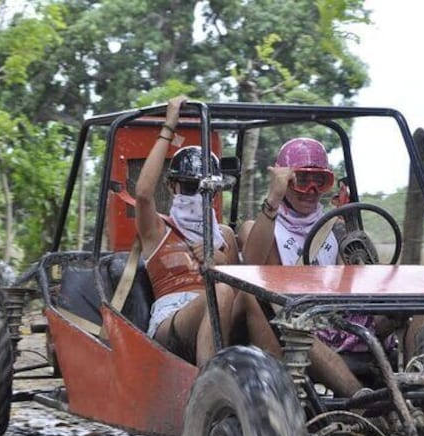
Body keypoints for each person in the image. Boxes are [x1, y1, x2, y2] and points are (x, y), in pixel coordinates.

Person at [236, 137, 394, 397]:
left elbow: (356, 282)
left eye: (319, 181)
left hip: (338, 318)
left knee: (417, 305)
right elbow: (253, 267)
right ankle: (365, 403)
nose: (310, 190)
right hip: (295, 322)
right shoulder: (259, 227)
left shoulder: (336, 226)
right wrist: (273, 199)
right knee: (301, 331)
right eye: (302, 180)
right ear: (284, 181)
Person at [136, 95, 238, 366]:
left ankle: (288, 376)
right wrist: (169, 127)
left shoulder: (223, 237)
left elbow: (244, 290)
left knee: (244, 293)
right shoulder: (158, 230)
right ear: (172, 187)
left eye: (208, 192)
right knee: (222, 292)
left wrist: (221, 264)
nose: (199, 197)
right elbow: (144, 194)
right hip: (172, 319)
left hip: (219, 315)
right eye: (191, 187)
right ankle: (210, 381)